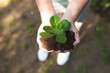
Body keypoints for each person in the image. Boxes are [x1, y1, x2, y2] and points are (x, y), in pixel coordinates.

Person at [36, 0, 91, 66]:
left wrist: (70, 19)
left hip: (78, 5)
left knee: (74, 25)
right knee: (49, 23)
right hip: (52, 3)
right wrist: (46, 18)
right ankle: (45, 45)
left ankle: (65, 49)